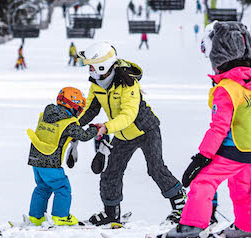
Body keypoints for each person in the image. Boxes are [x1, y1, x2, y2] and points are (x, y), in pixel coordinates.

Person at [166, 22, 251, 238]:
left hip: (233, 149)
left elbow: (219, 127)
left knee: (203, 182)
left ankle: (192, 226)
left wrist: (202, 157)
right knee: (242, 188)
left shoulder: (226, 88)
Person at [76, 41, 185, 226]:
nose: (90, 71)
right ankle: (111, 213)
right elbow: (90, 109)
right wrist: (74, 126)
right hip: (122, 135)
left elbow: (128, 115)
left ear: (104, 66)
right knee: (111, 172)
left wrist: (107, 127)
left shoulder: (128, 84)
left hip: (146, 130)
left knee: (155, 168)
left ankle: (181, 207)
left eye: (92, 67)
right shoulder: (96, 84)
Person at [25, 87, 97, 226]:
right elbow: (84, 135)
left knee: (42, 187)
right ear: (73, 105)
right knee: (63, 187)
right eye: (79, 108)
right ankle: (61, 216)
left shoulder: (45, 115)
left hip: (35, 160)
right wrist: (95, 129)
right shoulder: (68, 123)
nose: (79, 112)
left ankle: (36, 217)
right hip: (50, 161)